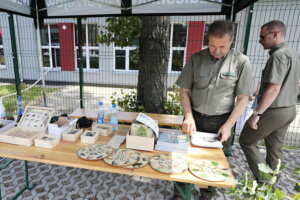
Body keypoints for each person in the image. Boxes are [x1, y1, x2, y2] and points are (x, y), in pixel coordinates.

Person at [176, 20, 253, 156]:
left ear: (231, 41)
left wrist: (229, 125)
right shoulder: (196, 59)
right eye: (212, 45)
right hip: (194, 119)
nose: (216, 51)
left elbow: (243, 98)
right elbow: (184, 90)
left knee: (215, 165)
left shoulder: (241, 62)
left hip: (221, 123)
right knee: (187, 158)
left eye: (222, 46)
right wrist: (188, 116)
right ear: (208, 40)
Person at [239, 20, 300, 183]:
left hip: (273, 110)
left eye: (262, 36)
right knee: (275, 150)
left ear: (275, 34)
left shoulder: (278, 55)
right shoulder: (291, 52)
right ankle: (269, 189)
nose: (259, 40)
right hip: (289, 110)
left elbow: (273, 89)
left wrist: (256, 113)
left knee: (246, 140)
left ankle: (264, 180)